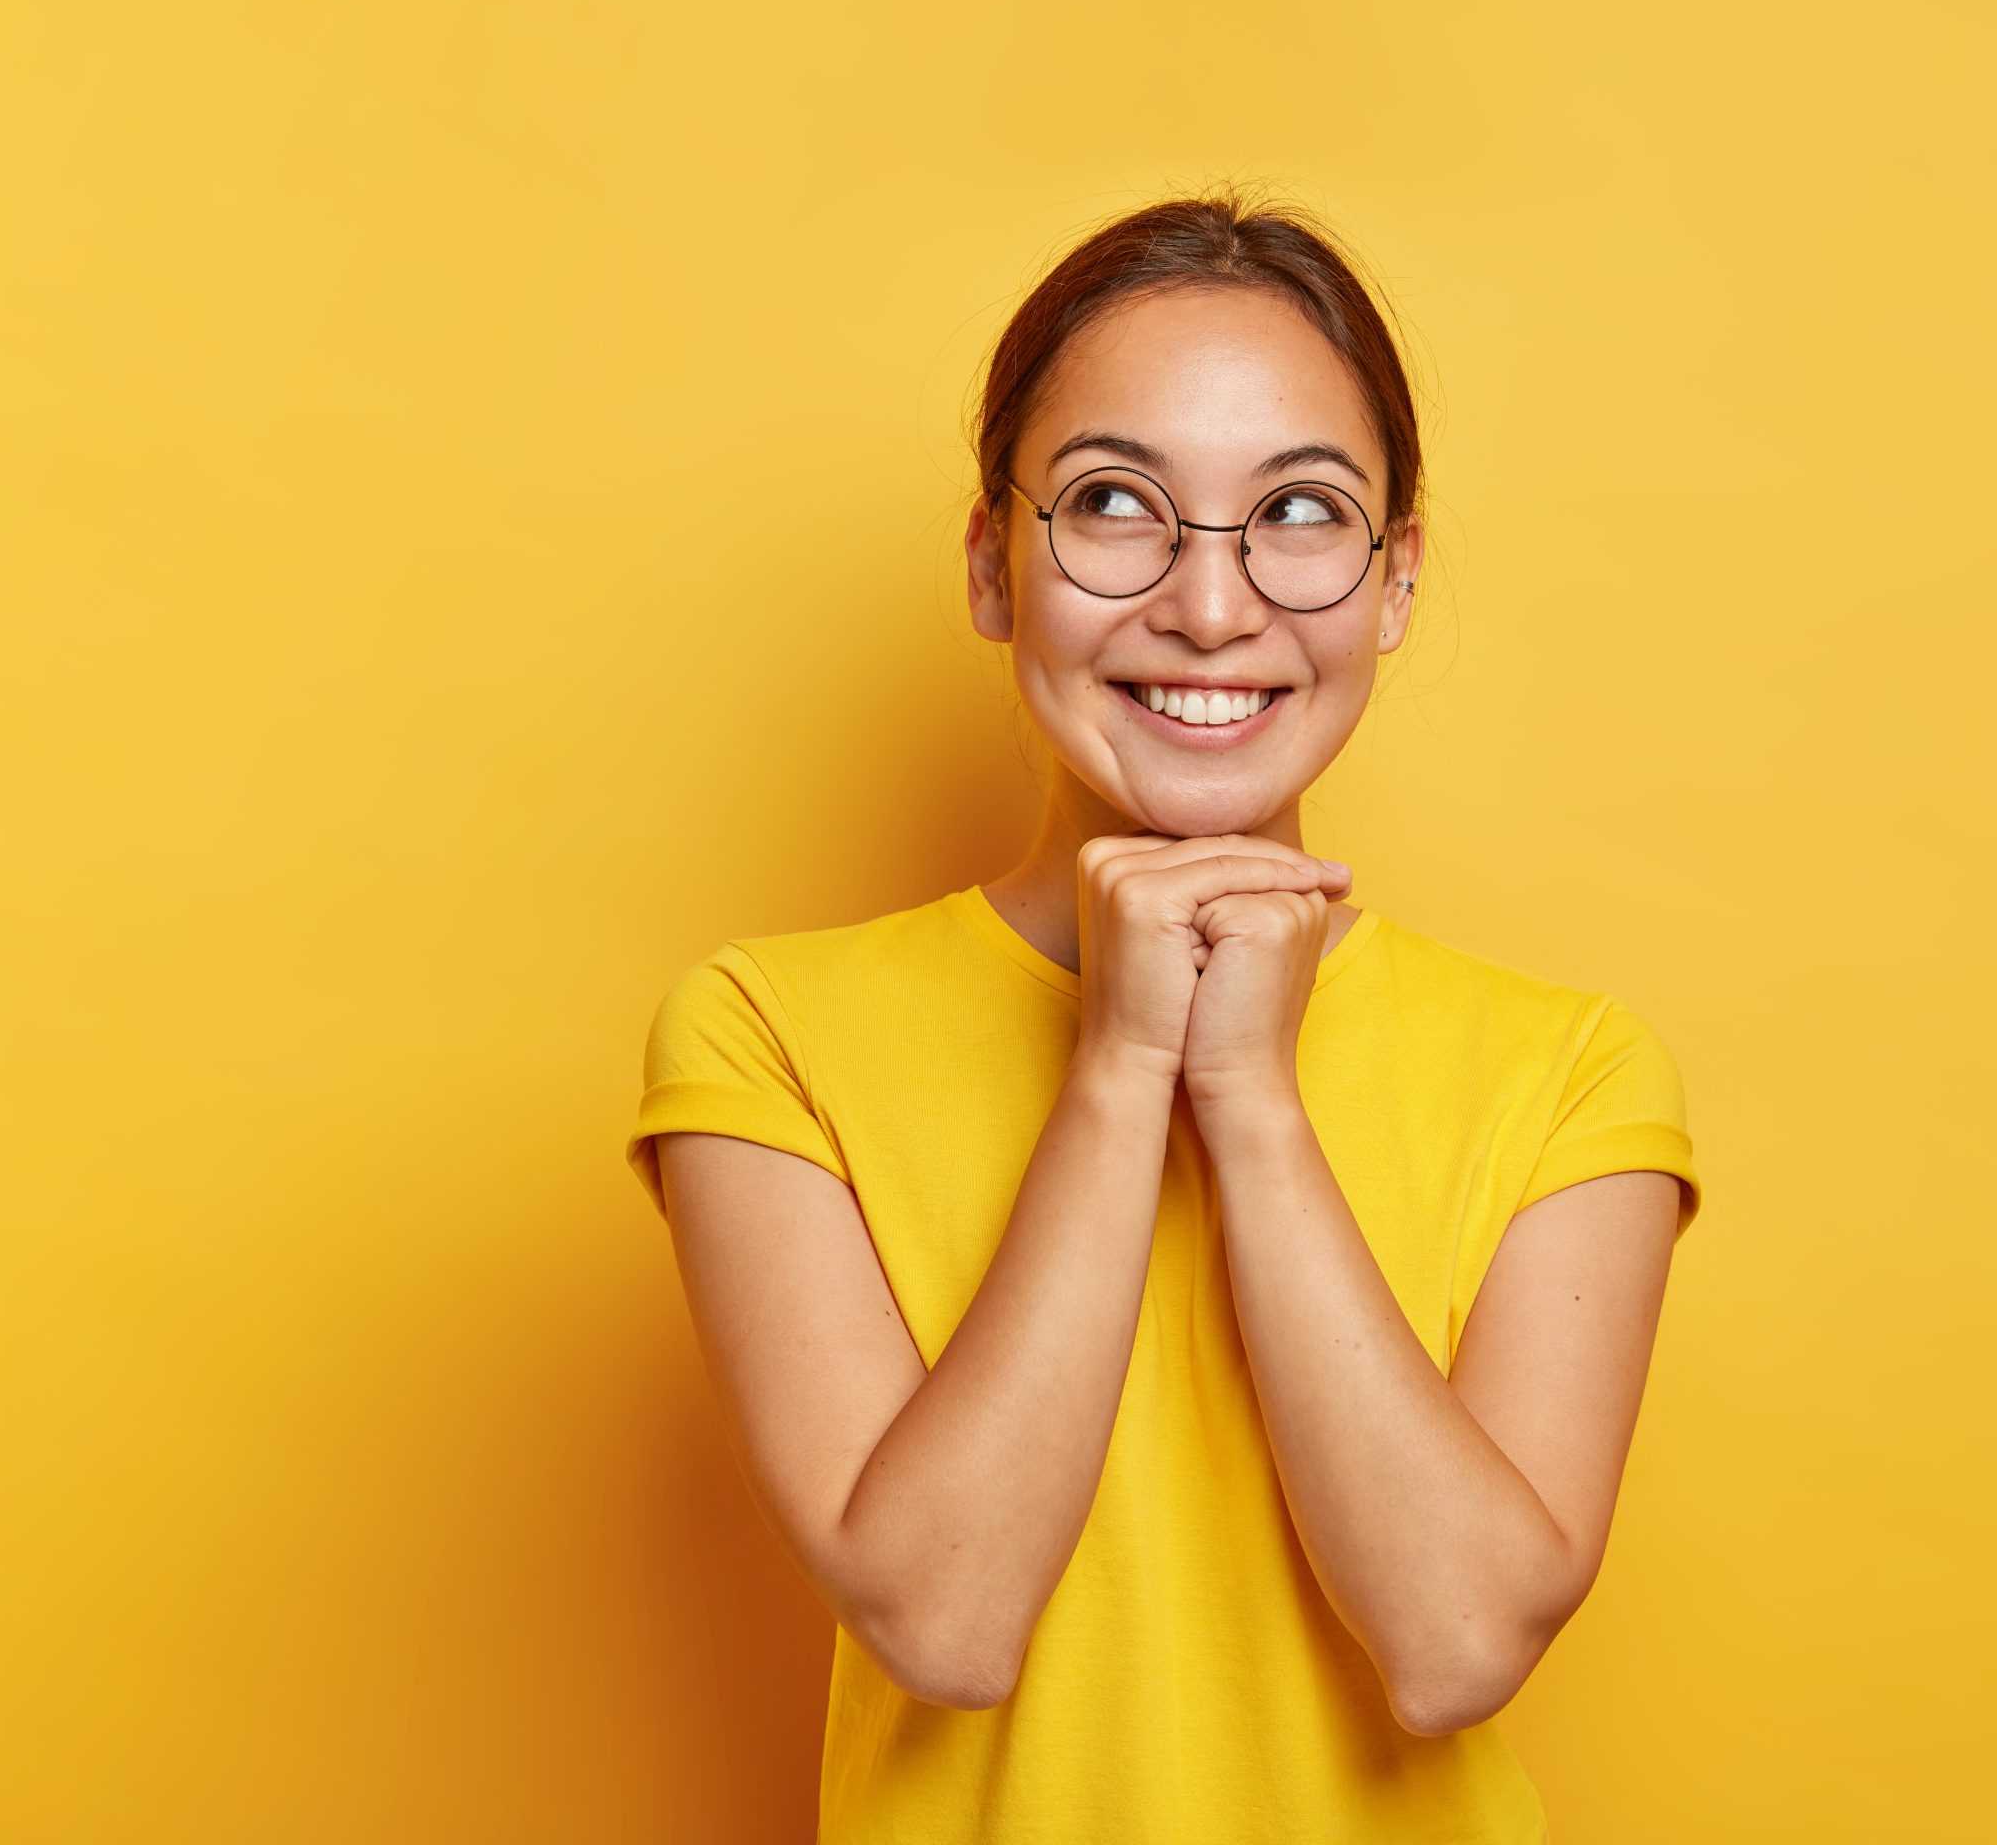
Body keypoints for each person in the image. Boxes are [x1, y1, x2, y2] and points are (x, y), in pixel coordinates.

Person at [623, 192, 1700, 1843]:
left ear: (1397, 582)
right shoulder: (767, 1034)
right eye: (1118, 504)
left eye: (1301, 514)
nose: (1211, 608)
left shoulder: (1570, 1072)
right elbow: (945, 1619)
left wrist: (1253, 1101)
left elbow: (1456, 1644)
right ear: (994, 564)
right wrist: (1125, 1063)